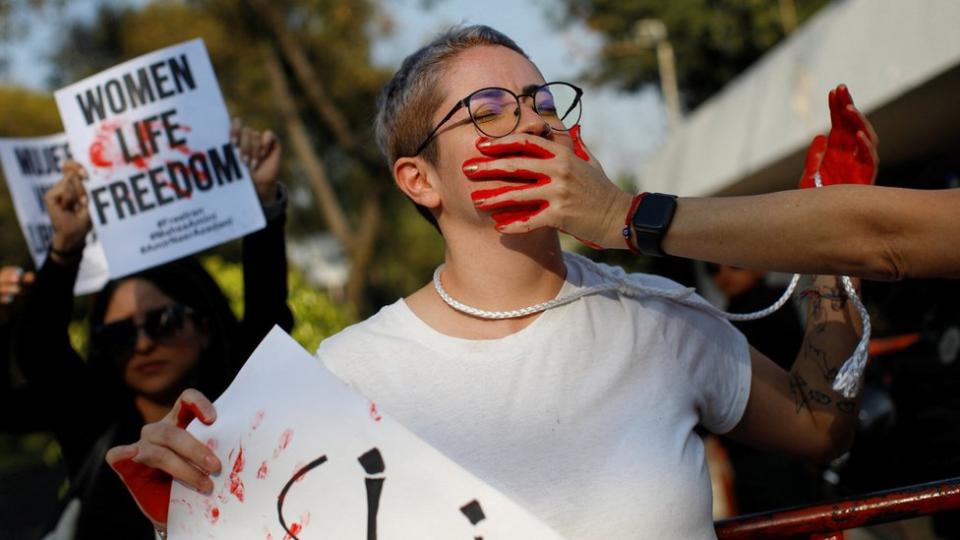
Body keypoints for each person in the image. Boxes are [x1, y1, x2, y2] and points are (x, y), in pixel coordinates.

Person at [107, 26, 864, 538]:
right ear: (419, 180)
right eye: (489, 109)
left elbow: (818, 424)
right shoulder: (343, 376)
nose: (533, 122)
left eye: (542, 102)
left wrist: (834, 251)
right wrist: (190, 498)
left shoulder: (658, 317)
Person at [14, 121, 293, 539]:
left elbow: (266, 319)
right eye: (118, 335)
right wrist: (65, 249)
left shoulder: (244, 408)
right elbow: (40, 352)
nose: (143, 344)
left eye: (164, 322)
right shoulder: (94, 424)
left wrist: (263, 203)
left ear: (203, 326)